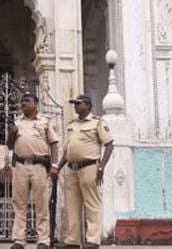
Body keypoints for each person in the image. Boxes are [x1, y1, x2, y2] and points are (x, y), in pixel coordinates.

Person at [53, 95, 114, 249]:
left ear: (88, 105)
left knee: (92, 204)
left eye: (78, 104)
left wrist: (101, 167)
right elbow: (68, 150)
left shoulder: (97, 122)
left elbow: (109, 145)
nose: (75, 107)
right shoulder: (72, 125)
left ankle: (93, 240)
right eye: (74, 104)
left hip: (90, 167)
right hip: (72, 169)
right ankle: (72, 240)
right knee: (72, 205)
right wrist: (58, 167)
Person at [6, 92, 59, 249]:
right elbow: (9, 146)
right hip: (20, 165)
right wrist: (12, 133)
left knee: (41, 204)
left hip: (39, 166)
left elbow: (54, 144)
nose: (23, 103)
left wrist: (55, 165)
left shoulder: (46, 122)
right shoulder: (16, 122)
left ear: (36, 104)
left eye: (27, 101)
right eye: (22, 101)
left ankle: (43, 239)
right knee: (19, 204)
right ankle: (18, 240)